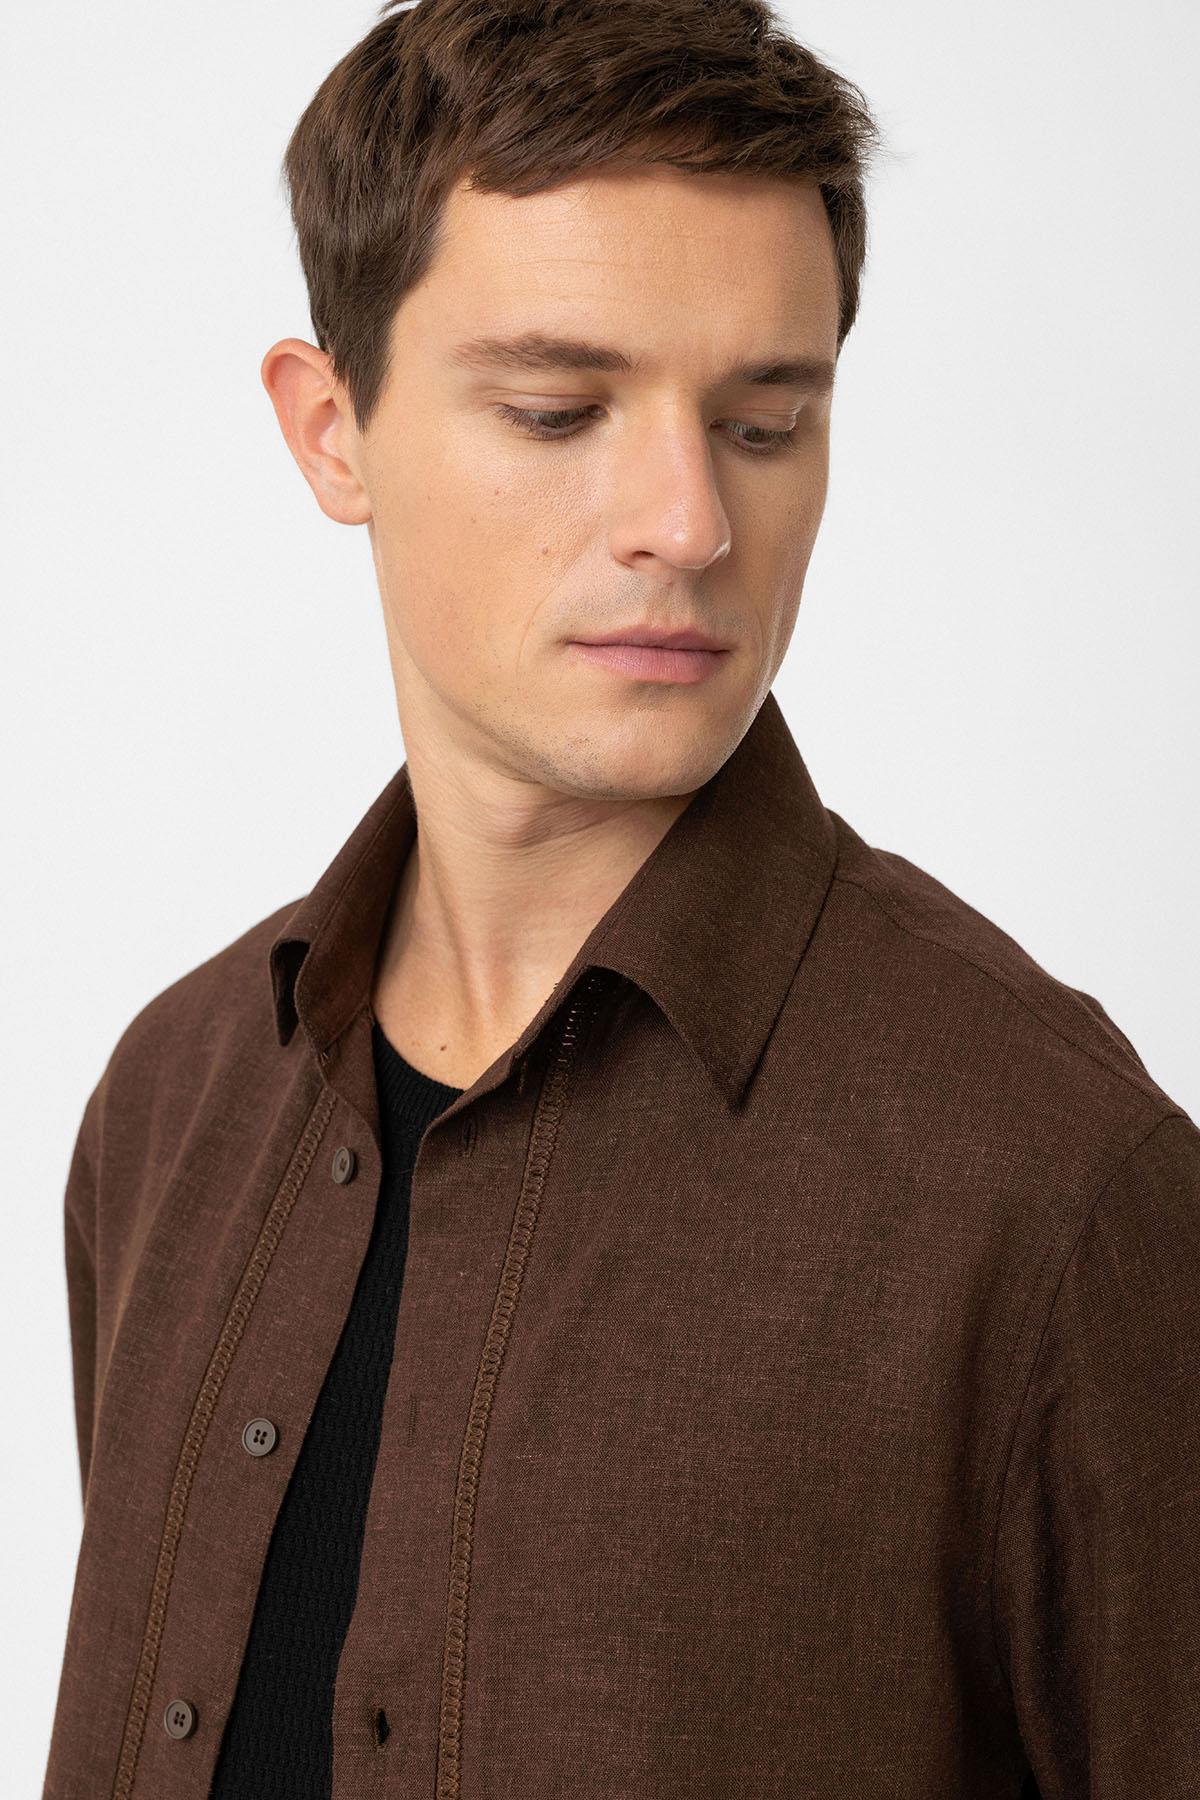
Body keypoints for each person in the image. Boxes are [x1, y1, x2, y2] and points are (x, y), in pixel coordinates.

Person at [42, 1, 1200, 1796]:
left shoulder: (1051, 1182)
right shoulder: (172, 1107)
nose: (688, 521)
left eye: (764, 423)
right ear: (332, 431)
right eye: (559, 410)